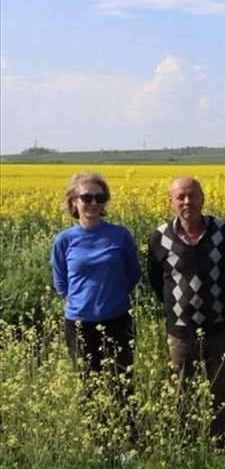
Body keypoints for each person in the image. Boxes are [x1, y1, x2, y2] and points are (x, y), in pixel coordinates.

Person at [146, 176, 225, 443]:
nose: (188, 202)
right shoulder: (159, 237)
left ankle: (224, 445)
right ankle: (185, 443)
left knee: (223, 390)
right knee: (181, 391)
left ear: (203, 198)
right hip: (181, 331)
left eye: (193, 195)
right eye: (181, 197)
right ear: (171, 202)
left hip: (221, 327)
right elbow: (156, 278)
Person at [51, 171, 141, 429]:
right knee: (88, 383)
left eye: (99, 198)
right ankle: (98, 441)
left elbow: (132, 274)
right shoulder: (64, 240)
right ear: (73, 202)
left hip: (117, 319)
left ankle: (127, 439)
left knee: (122, 381)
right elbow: (61, 283)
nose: (93, 203)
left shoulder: (119, 235)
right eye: (86, 197)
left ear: (105, 202)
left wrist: (110, 297)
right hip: (79, 324)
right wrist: (83, 302)